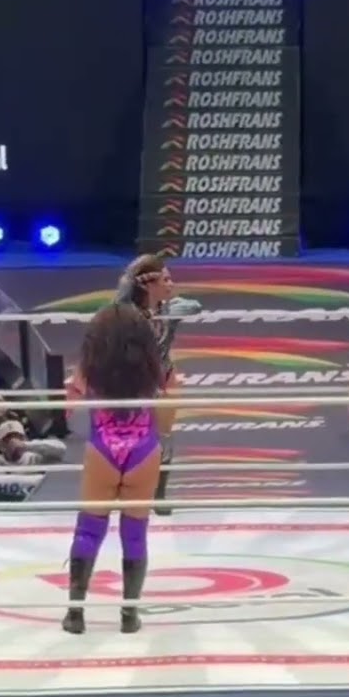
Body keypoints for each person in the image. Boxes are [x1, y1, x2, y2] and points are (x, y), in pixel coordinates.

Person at [62, 303, 165, 635]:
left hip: (103, 447)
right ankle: (129, 616)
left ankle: (75, 614)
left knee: (88, 530)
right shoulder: (157, 365)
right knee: (135, 533)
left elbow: (66, 409)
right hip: (144, 449)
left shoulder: (90, 367)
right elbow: (169, 417)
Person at [113, 254, 202, 515]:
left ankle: (159, 495)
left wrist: (173, 308)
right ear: (148, 285)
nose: (171, 284)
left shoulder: (169, 309)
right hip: (132, 382)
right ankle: (125, 489)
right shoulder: (125, 316)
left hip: (163, 377)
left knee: (163, 436)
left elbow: (195, 306)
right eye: (165, 280)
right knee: (130, 438)